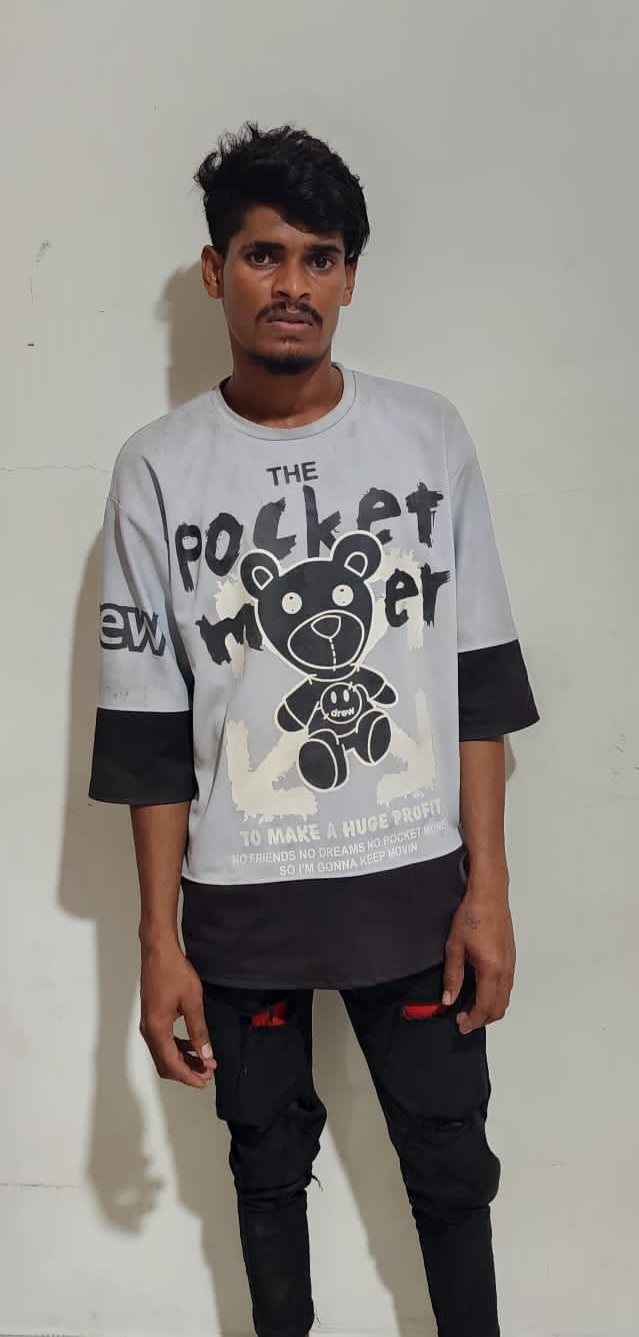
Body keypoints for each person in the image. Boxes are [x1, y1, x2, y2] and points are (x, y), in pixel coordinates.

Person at [89, 121, 539, 1337]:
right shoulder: (158, 469)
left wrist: (488, 889)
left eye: (321, 258)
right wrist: (158, 942)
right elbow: (148, 725)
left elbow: (480, 685)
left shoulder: (427, 437)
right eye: (265, 254)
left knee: (452, 1173)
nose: (293, 284)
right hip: (243, 910)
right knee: (265, 1175)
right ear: (215, 270)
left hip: (417, 894)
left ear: (348, 277)